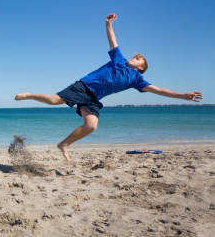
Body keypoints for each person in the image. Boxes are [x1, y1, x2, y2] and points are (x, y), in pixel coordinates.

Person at [15, 14, 202, 162]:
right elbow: (112, 39)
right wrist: (108, 24)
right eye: (135, 56)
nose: (134, 57)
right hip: (83, 87)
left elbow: (160, 91)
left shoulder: (136, 80)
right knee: (53, 101)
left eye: (138, 59)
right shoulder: (118, 59)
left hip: (93, 98)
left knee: (91, 126)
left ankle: (64, 144)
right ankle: (29, 95)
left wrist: (183, 96)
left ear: (140, 67)